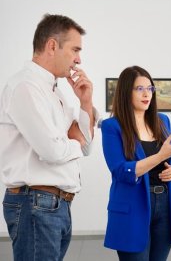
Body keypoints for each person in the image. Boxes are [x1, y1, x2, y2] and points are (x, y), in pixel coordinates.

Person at [0, 14, 98, 261]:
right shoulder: (25, 86)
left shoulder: (56, 92)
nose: (79, 59)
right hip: (36, 203)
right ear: (52, 46)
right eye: (75, 49)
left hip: (55, 205)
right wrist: (73, 142)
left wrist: (85, 103)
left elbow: (84, 147)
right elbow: (53, 151)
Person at [101, 65, 171, 261]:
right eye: (139, 89)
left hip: (165, 204)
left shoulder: (162, 120)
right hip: (132, 207)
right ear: (126, 92)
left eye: (150, 88)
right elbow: (120, 171)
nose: (146, 94)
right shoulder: (112, 126)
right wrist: (159, 157)